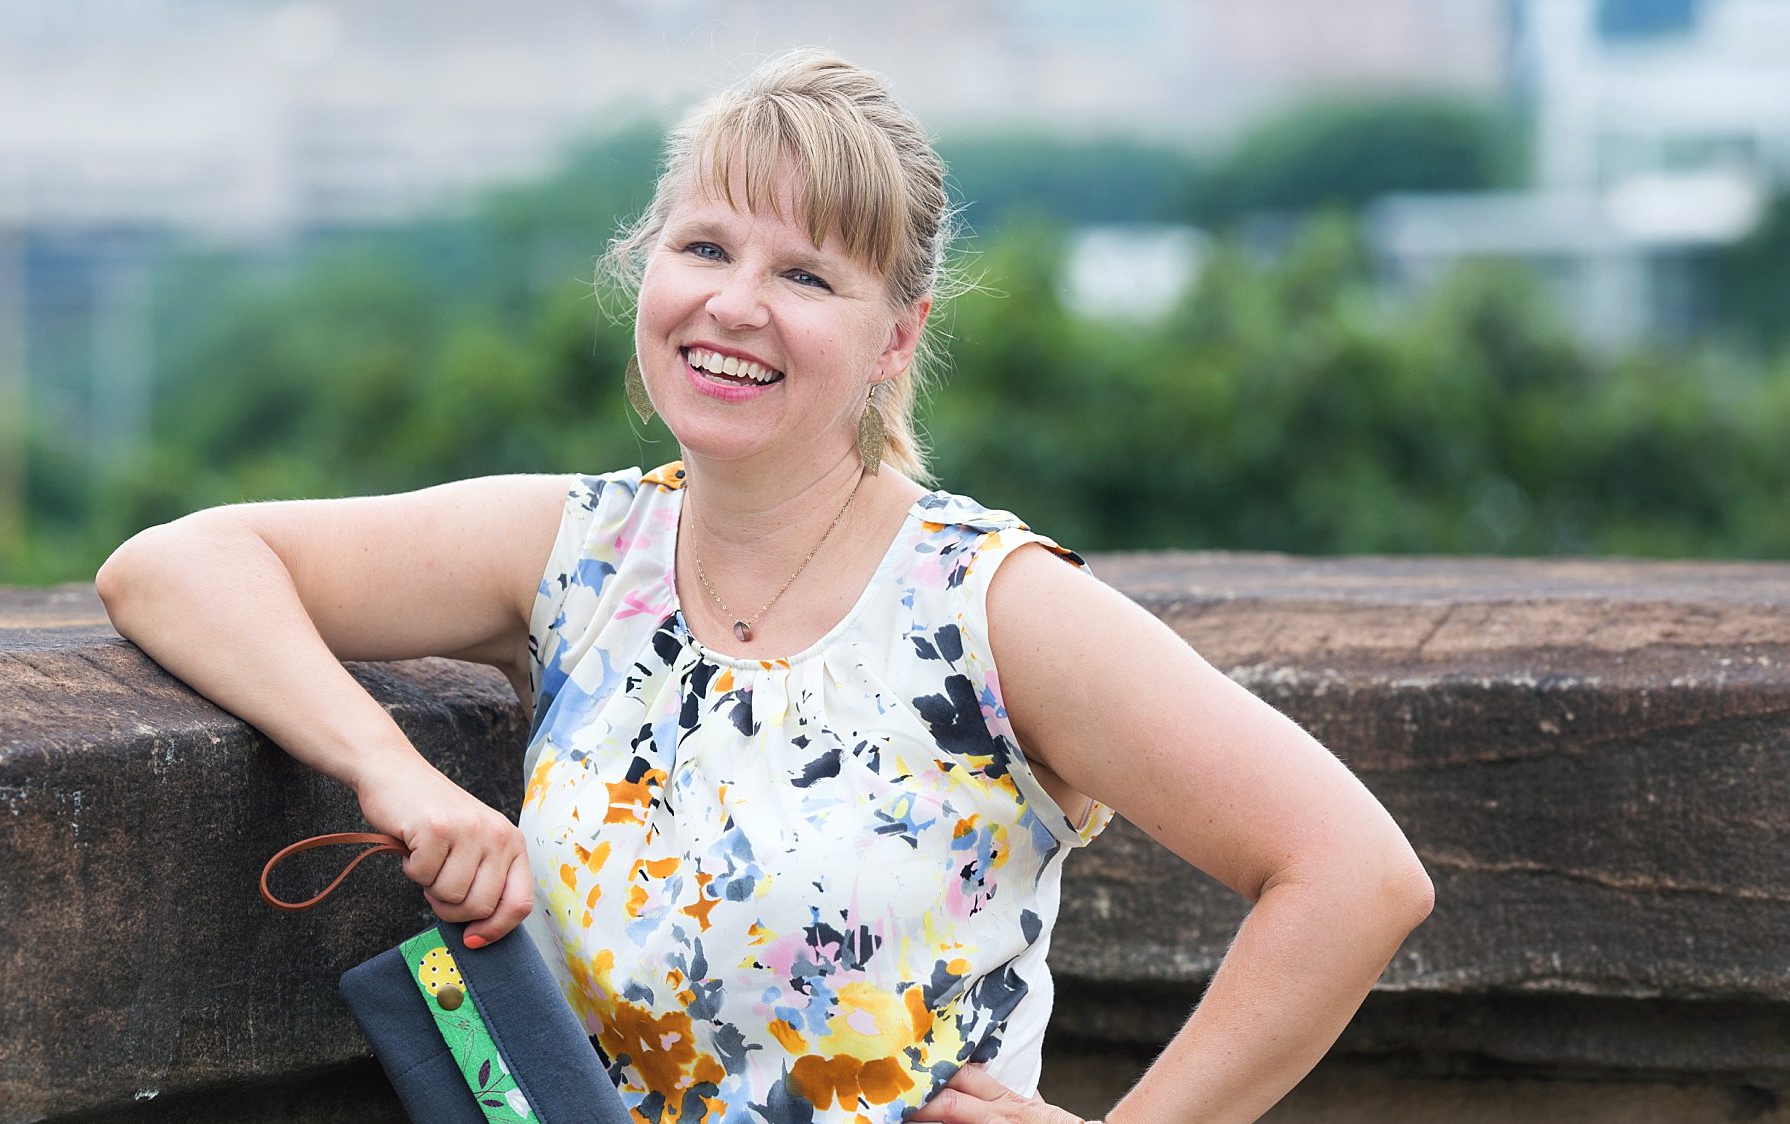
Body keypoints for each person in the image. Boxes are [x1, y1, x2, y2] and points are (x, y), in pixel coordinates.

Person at [97, 50, 1432, 1124]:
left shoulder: (990, 608)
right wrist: (394, 776)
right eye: (705, 250)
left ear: (894, 337)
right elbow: (175, 567)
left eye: (804, 274)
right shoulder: (576, 550)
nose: (734, 306)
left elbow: (1354, 874)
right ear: (647, 267)